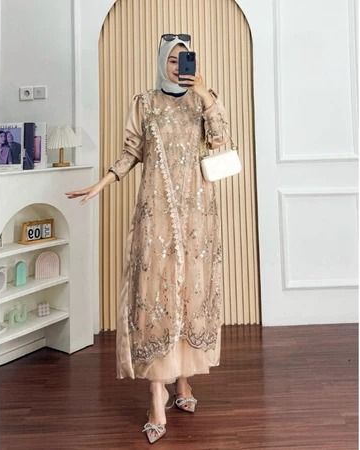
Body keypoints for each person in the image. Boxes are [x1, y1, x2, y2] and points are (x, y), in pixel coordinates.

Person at [65, 34, 230, 444]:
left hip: (197, 216)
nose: (178, 66)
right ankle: (157, 395)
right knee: (156, 296)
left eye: (184, 59)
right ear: (161, 62)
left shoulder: (204, 100)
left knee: (189, 295)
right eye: (172, 59)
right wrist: (101, 183)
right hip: (156, 215)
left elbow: (221, 141)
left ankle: (184, 381)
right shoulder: (145, 103)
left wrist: (205, 93)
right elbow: (132, 153)